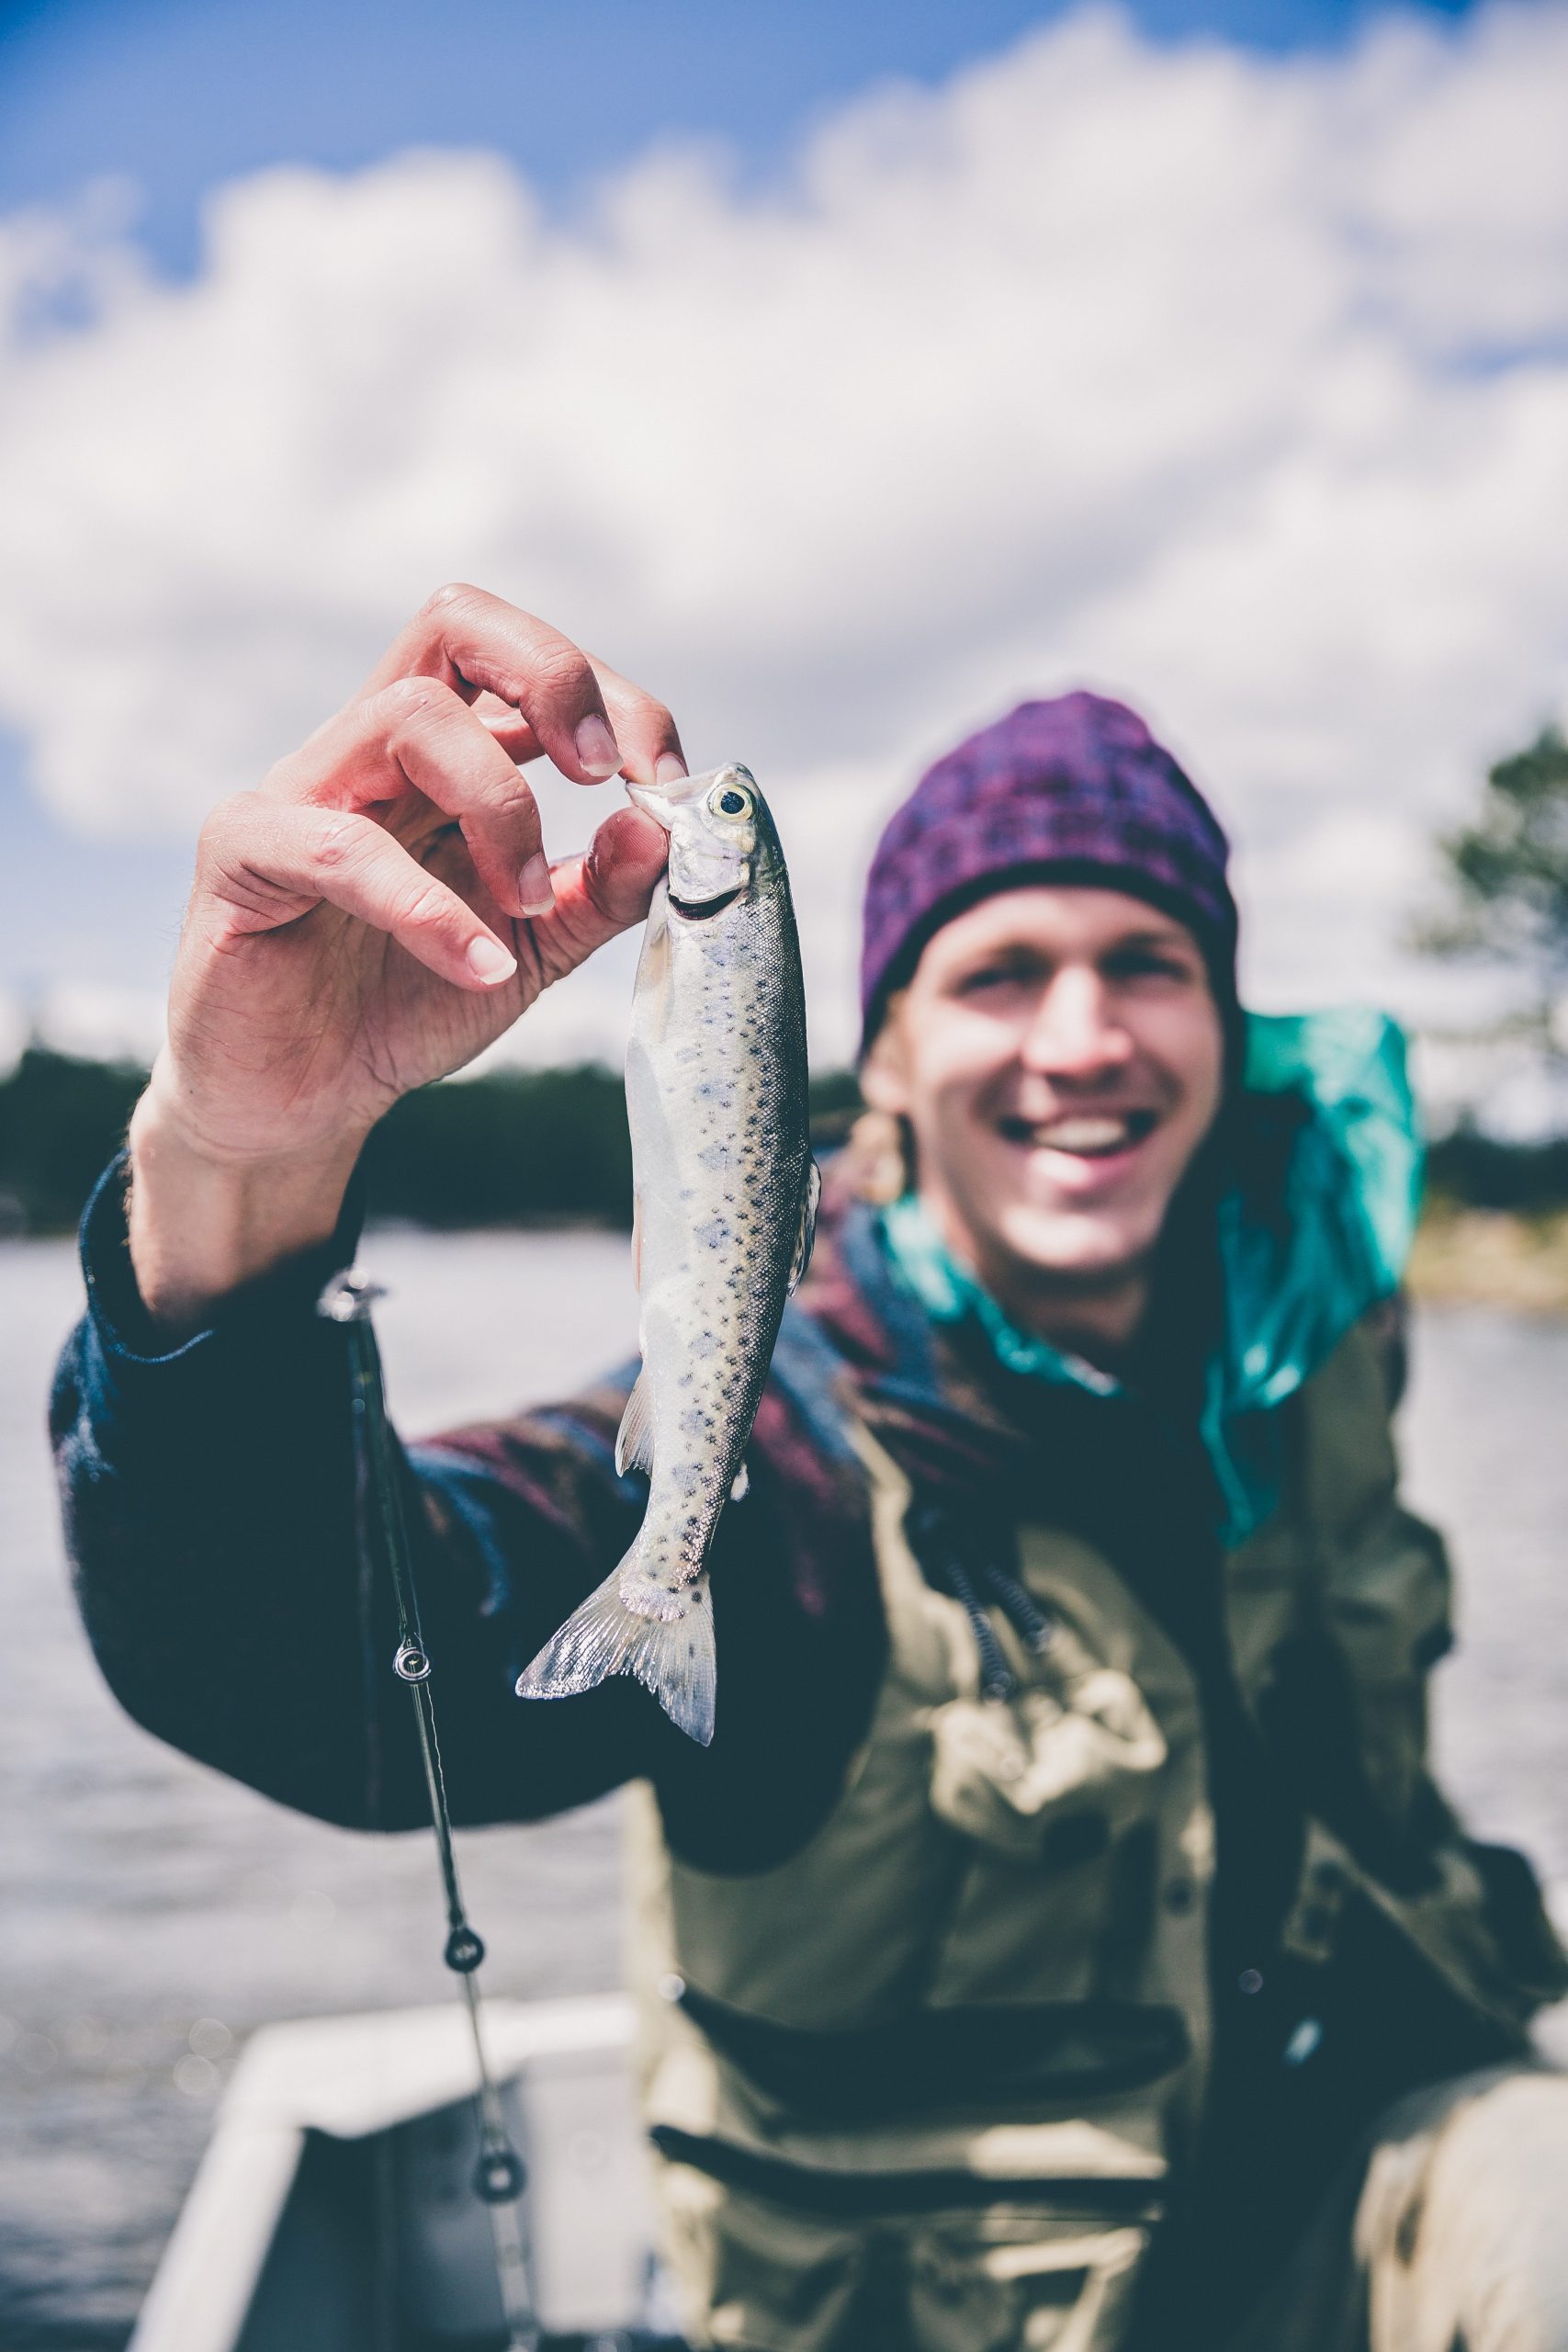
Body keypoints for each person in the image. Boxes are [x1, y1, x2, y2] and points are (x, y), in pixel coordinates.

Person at [52, 586, 1568, 2352]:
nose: (1081, 1039)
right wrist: (237, 1169)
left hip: (1339, 2209)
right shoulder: (788, 1458)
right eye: (999, 973)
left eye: (1145, 965)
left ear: (1224, 1031)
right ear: (894, 1061)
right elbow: (305, 1662)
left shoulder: (1316, 1366)